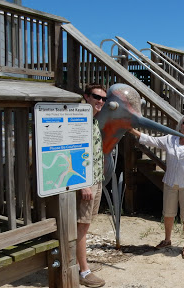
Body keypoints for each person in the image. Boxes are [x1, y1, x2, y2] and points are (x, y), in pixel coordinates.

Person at [128, 112, 184, 259]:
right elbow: (152, 140)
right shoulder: (171, 138)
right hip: (170, 182)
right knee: (168, 213)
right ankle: (167, 239)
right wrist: (132, 130)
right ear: (180, 124)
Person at [77, 83, 107, 287]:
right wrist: (82, 184)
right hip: (86, 183)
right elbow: (74, 151)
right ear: (86, 97)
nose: (100, 102)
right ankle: (83, 271)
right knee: (81, 227)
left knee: (86, 225)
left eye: (104, 99)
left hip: (96, 180)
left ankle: (81, 263)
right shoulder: (79, 121)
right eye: (97, 97)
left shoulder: (94, 122)